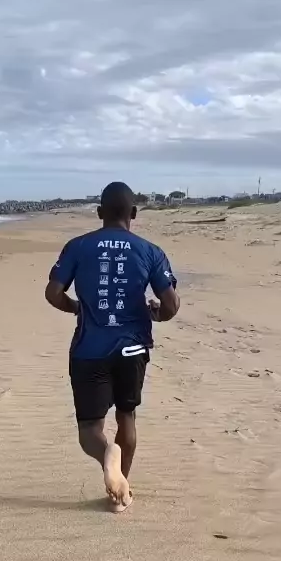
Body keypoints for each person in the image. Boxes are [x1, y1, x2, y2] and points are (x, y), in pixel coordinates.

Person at [45, 181, 180, 512]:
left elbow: (53, 293)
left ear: (99, 212)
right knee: (126, 417)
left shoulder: (78, 246)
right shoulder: (150, 251)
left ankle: (108, 455)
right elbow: (171, 304)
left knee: (90, 430)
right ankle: (120, 494)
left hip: (89, 349)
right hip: (133, 349)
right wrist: (157, 313)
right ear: (133, 213)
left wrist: (76, 308)